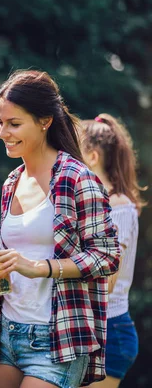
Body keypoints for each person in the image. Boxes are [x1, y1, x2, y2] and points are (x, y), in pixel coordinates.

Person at [0, 70, 121, 388]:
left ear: (45, 121)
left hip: (57, 338)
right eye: (0, 121)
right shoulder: (11, 182)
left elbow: (107, 257)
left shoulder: (77, 178)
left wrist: (39, 268)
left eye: (14, 124)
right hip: (6, 332)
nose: (3, 132)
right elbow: (13, 254)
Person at [82, 114, 145, 388]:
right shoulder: (95, 202)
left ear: (93, 157)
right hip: (95, 331)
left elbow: (107, 281)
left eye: (75, 150)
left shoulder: (117, 206)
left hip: (109, 332)